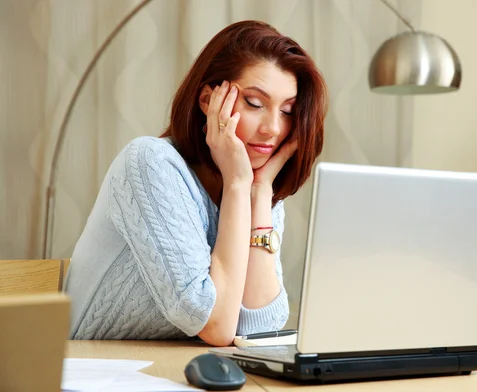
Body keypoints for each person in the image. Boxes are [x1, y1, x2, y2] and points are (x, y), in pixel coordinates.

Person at [64, 20, 328, 346]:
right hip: (90, 368)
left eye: (287, 111)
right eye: (255, 104)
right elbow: (216, 326)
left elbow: (259, 331)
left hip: (177, 371)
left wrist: (258, 195)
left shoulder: (255, 185)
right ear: (208, 101)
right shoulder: (151, 163)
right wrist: (236, 184)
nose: (273, 128)